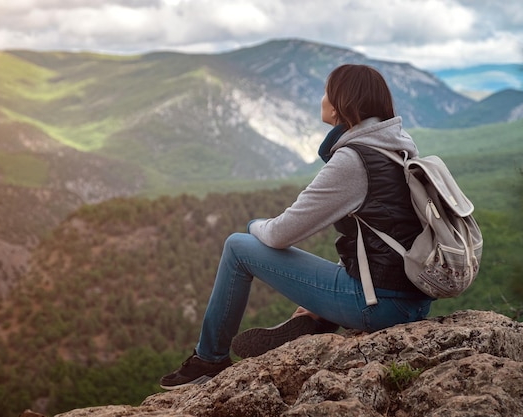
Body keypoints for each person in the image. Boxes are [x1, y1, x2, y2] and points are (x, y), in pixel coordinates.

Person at [159, 64, 434, 390]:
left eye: (326, 92)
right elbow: (380, 238)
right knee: (331, 272)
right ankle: (315, 317)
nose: (321, 99)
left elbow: (279, 235)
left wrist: (254, 225)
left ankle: (209, 359)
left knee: (237, 245)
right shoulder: (396, 147)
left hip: (379, 306)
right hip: (413, 299)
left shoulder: (354, 159)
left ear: (340, 103)